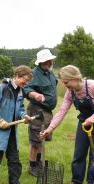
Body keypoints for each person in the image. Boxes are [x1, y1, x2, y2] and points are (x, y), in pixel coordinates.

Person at [40, 65, 94, 184]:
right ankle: (76, 181)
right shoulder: (71, 92)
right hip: (84, 121)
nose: (65, 86)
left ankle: (91, 183)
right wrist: (50, 128)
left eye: (66, 82)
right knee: (79, 152)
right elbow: (62, 111)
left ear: (76, 78)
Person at [23, 49, 58, 177]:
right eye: (48, 60)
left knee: (42, 138)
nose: (51, 62)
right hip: (37, 110)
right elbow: (25, 88)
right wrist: (35, 94)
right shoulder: (34, 74)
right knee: (36, 140)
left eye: (51, 60)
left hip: (48, 111)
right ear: (42, 62)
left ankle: (39, 165)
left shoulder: (49, 72)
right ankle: (32, 167)